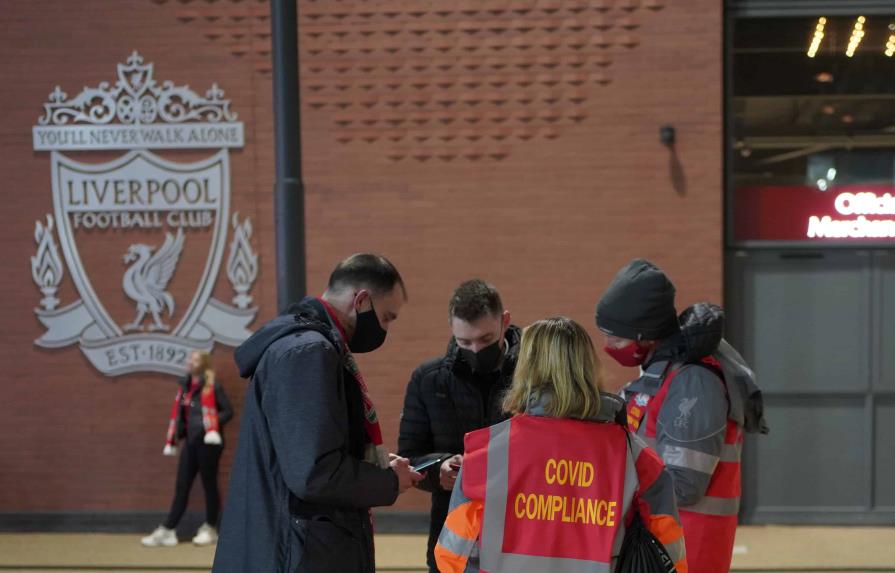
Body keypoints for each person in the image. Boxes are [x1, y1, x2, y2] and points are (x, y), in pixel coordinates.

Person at [212, 253, 422, 573]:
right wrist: (387, 481)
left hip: (297, 544)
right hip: (297, 552)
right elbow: (314, 474)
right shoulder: (308, 352)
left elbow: (312, 452)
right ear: (362, 301)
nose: (385, 330)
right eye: (387, 317)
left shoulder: (311, 345)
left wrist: (375, 466)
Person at [435, 317, 687, 573]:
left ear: (526, 368)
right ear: (590, 367)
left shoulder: (485, 455)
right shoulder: (637, 457)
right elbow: (669, 557)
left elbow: (452, 556)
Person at [596, 259, 762, 573]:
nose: (608, 346)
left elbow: (684, 484)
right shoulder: (659, 378)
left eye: (616, 338)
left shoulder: (693, 384)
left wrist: (613, 485)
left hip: (688, 546)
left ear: (645, 336)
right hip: (665, 543)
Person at [398, 279, 521, 572]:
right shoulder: (429, 380)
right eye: (465, 342)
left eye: (486, 339)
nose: (476, 349)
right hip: (453, 537)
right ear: (452, 330)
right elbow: (410, 456)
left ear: (505, 322)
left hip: (518, 531)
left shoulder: (533, 377)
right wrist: (439, 469)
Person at [141, 350, 233, 547]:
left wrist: (208, 425)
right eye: (190, 358)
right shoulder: (185, 387)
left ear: (204, 364)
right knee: (182, 485)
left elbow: (228, 411)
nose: (190, 361)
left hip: (209, 444)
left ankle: (210, 528)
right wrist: (178, 433)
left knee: (209, 485)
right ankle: (168, 530)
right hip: (190, 443)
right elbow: (182, 415)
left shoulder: (212, 387)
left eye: (195, 359)